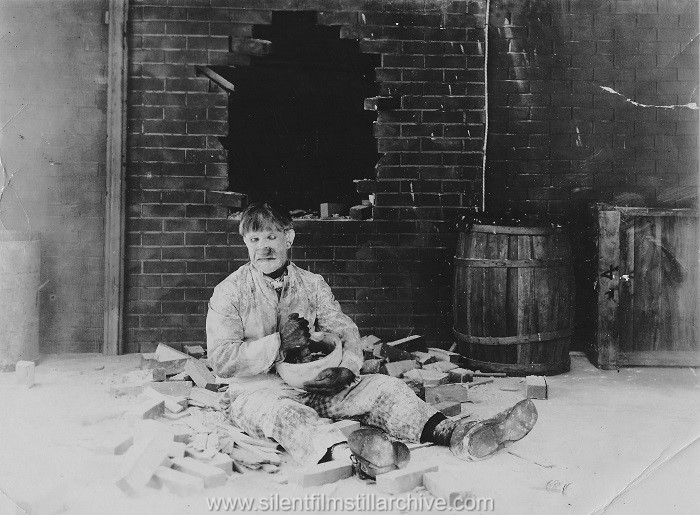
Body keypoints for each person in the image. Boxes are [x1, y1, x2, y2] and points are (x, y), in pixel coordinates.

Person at [206, 202, 538, 470]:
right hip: (260, 392)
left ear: (288, 238)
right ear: (245, 243)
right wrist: (279, 342)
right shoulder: (230, 292)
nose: (263, 248)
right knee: (288, 417)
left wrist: (347, 369)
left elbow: (346, 331)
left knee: (387, 388)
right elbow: (221, 361)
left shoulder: (312, 284)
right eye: (254, 240)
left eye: (271, 237)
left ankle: (455, 433)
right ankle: (357, 457)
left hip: (317, 384)